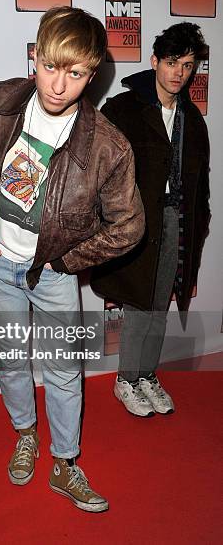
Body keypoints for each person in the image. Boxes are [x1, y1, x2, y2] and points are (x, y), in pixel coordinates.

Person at [0, 6, 144, 512]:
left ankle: (64, 463)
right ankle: (24, 435)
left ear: (93, 73)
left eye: (77, 72)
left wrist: (69, 259)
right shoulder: (0, 101)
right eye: (51, 66)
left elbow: (129, 224)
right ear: (35, 55)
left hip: (52, 272)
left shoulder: (108, 146)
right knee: (13, 360)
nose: (59, 85)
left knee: (63, 369)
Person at [91, 22, 210, 417]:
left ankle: (147, 374)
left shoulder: (193, 120)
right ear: (155, 61)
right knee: (139, 305)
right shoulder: (122, 110)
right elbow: (97, 174)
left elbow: (201, 186)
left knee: (161, 304)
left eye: (188, 65)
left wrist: (200, 225)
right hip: (138, 225)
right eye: (172, 62)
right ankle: (126, 379)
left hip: (177, 223)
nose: (179, 72)